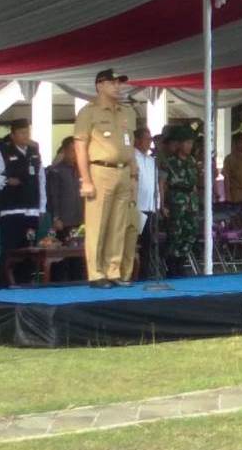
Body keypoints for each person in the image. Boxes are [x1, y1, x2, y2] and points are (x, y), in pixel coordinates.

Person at [74, 69, 137, 288]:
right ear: (99, 85)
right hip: (100, 171)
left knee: (119, 224)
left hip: (123, 171)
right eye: (112, 82)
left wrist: (134, 174)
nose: (118, 86)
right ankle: (96, 273)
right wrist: (86, 179)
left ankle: (113, 270)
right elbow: (80, 146)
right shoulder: (88, 112)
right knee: (97, 224)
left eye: (120, 83)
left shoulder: (127, 112)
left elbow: (131, 145)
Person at [0, 119, 46, 275]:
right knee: (11, 249)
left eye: (27, 132)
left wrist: (42, 206)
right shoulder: (3, 153)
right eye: (21, 132)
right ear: (13, 135)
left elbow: (41, 179)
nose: (25, 136)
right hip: (11, 210)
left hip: (31, 209)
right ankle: (7, 283)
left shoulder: (34, 154)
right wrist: (6, 181)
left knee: (30, 248)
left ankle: (26, 282)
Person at [161, 125, 199, 277]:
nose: (189, 146)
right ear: (179, 144)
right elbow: (162, 184)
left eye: (191, 143)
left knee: (190, 233)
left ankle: (182, 261)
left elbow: (194, 182)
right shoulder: (170, 161)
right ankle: (172, 265)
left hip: (191, 201)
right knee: (175, 234)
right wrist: (162, 204)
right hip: (176, 201)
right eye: (187, 143)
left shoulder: (191, 161)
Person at [132, 127, 160, 279]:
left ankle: (145, 274)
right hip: (137, 207)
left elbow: (155, 184)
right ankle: (132, 274)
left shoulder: (151, 161)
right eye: (146, 139)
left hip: (150, 207)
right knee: (134, 242)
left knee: (148, 243)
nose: (149, 142)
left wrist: (158, 204)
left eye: (150, 139)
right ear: (137, 140)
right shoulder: (132, 158)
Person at [45, 137, 83, 240]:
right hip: (65, 221)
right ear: (64, 151)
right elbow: (53, 196)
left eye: (78, 151)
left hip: (81, 220)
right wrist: (56, 218)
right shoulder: (56, 171)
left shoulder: (83, 170)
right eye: (72, 151)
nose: (75, 154)